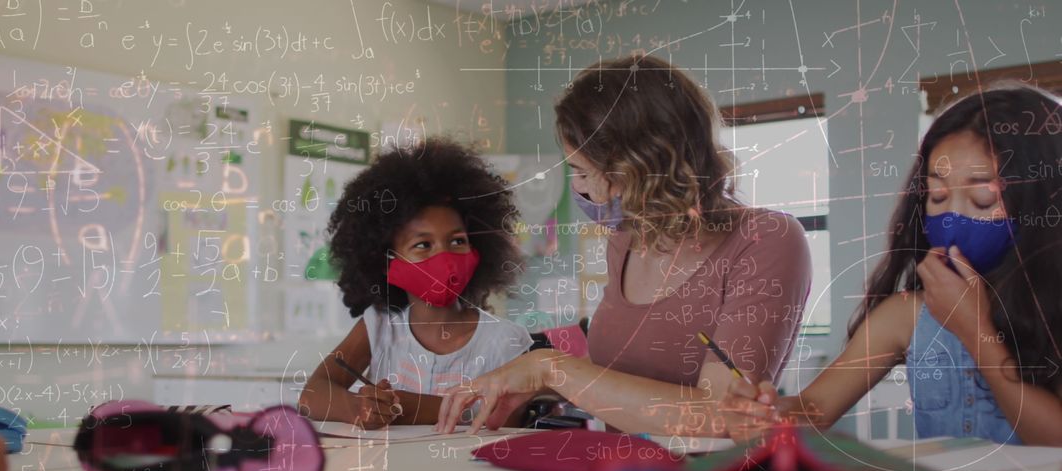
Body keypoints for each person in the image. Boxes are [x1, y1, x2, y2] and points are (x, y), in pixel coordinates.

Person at [435, 55, 812, 437]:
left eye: (583, 171)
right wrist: (530, 381)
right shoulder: (626, 240)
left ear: (642, 165)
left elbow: (721, 417)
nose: (579, 189)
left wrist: (551, 368)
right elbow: (621, 377)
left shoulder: (767, 241)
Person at [729, 86, 1062, 446]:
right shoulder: (910, 314)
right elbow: (814, 406)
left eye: (983, 199)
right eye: (937, 196)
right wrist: (767, 414)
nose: (952, 216)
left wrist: (976, 331)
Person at [298, 138, 531, 428]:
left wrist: (409, 408)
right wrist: (358, 407)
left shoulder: (505, 342)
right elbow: (311, 395)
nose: (444, 257)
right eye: (423, 245)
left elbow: (506, 418)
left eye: (457, 241)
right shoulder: (380, 327)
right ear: (385, 261)